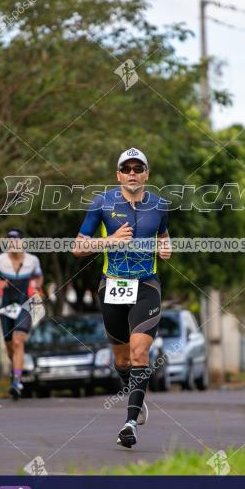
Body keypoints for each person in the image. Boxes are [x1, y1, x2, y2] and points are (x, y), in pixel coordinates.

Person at [73, 148, 171, 448]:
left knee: (140, 352)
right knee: (122, 357)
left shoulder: (160, 205)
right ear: (118, 174)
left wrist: (166, 248)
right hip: (113, 285)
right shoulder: (101, 203)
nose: (132, 173)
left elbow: (164, 236)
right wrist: (109, 241)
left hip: (146, 286)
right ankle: (136, 395)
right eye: (126, 168)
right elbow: (78, 248)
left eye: (137, 168)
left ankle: (129, 423)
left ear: (146, 174)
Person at [0, 229, 43, 399]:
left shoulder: (33, 260)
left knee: (18, 341)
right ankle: (16, 371)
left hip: (25, 305)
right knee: (10, 346)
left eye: (16, 241)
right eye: (10, 241)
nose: (13, 244)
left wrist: (36, 287)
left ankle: (17, 381)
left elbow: (39, 277)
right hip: (7, 306)